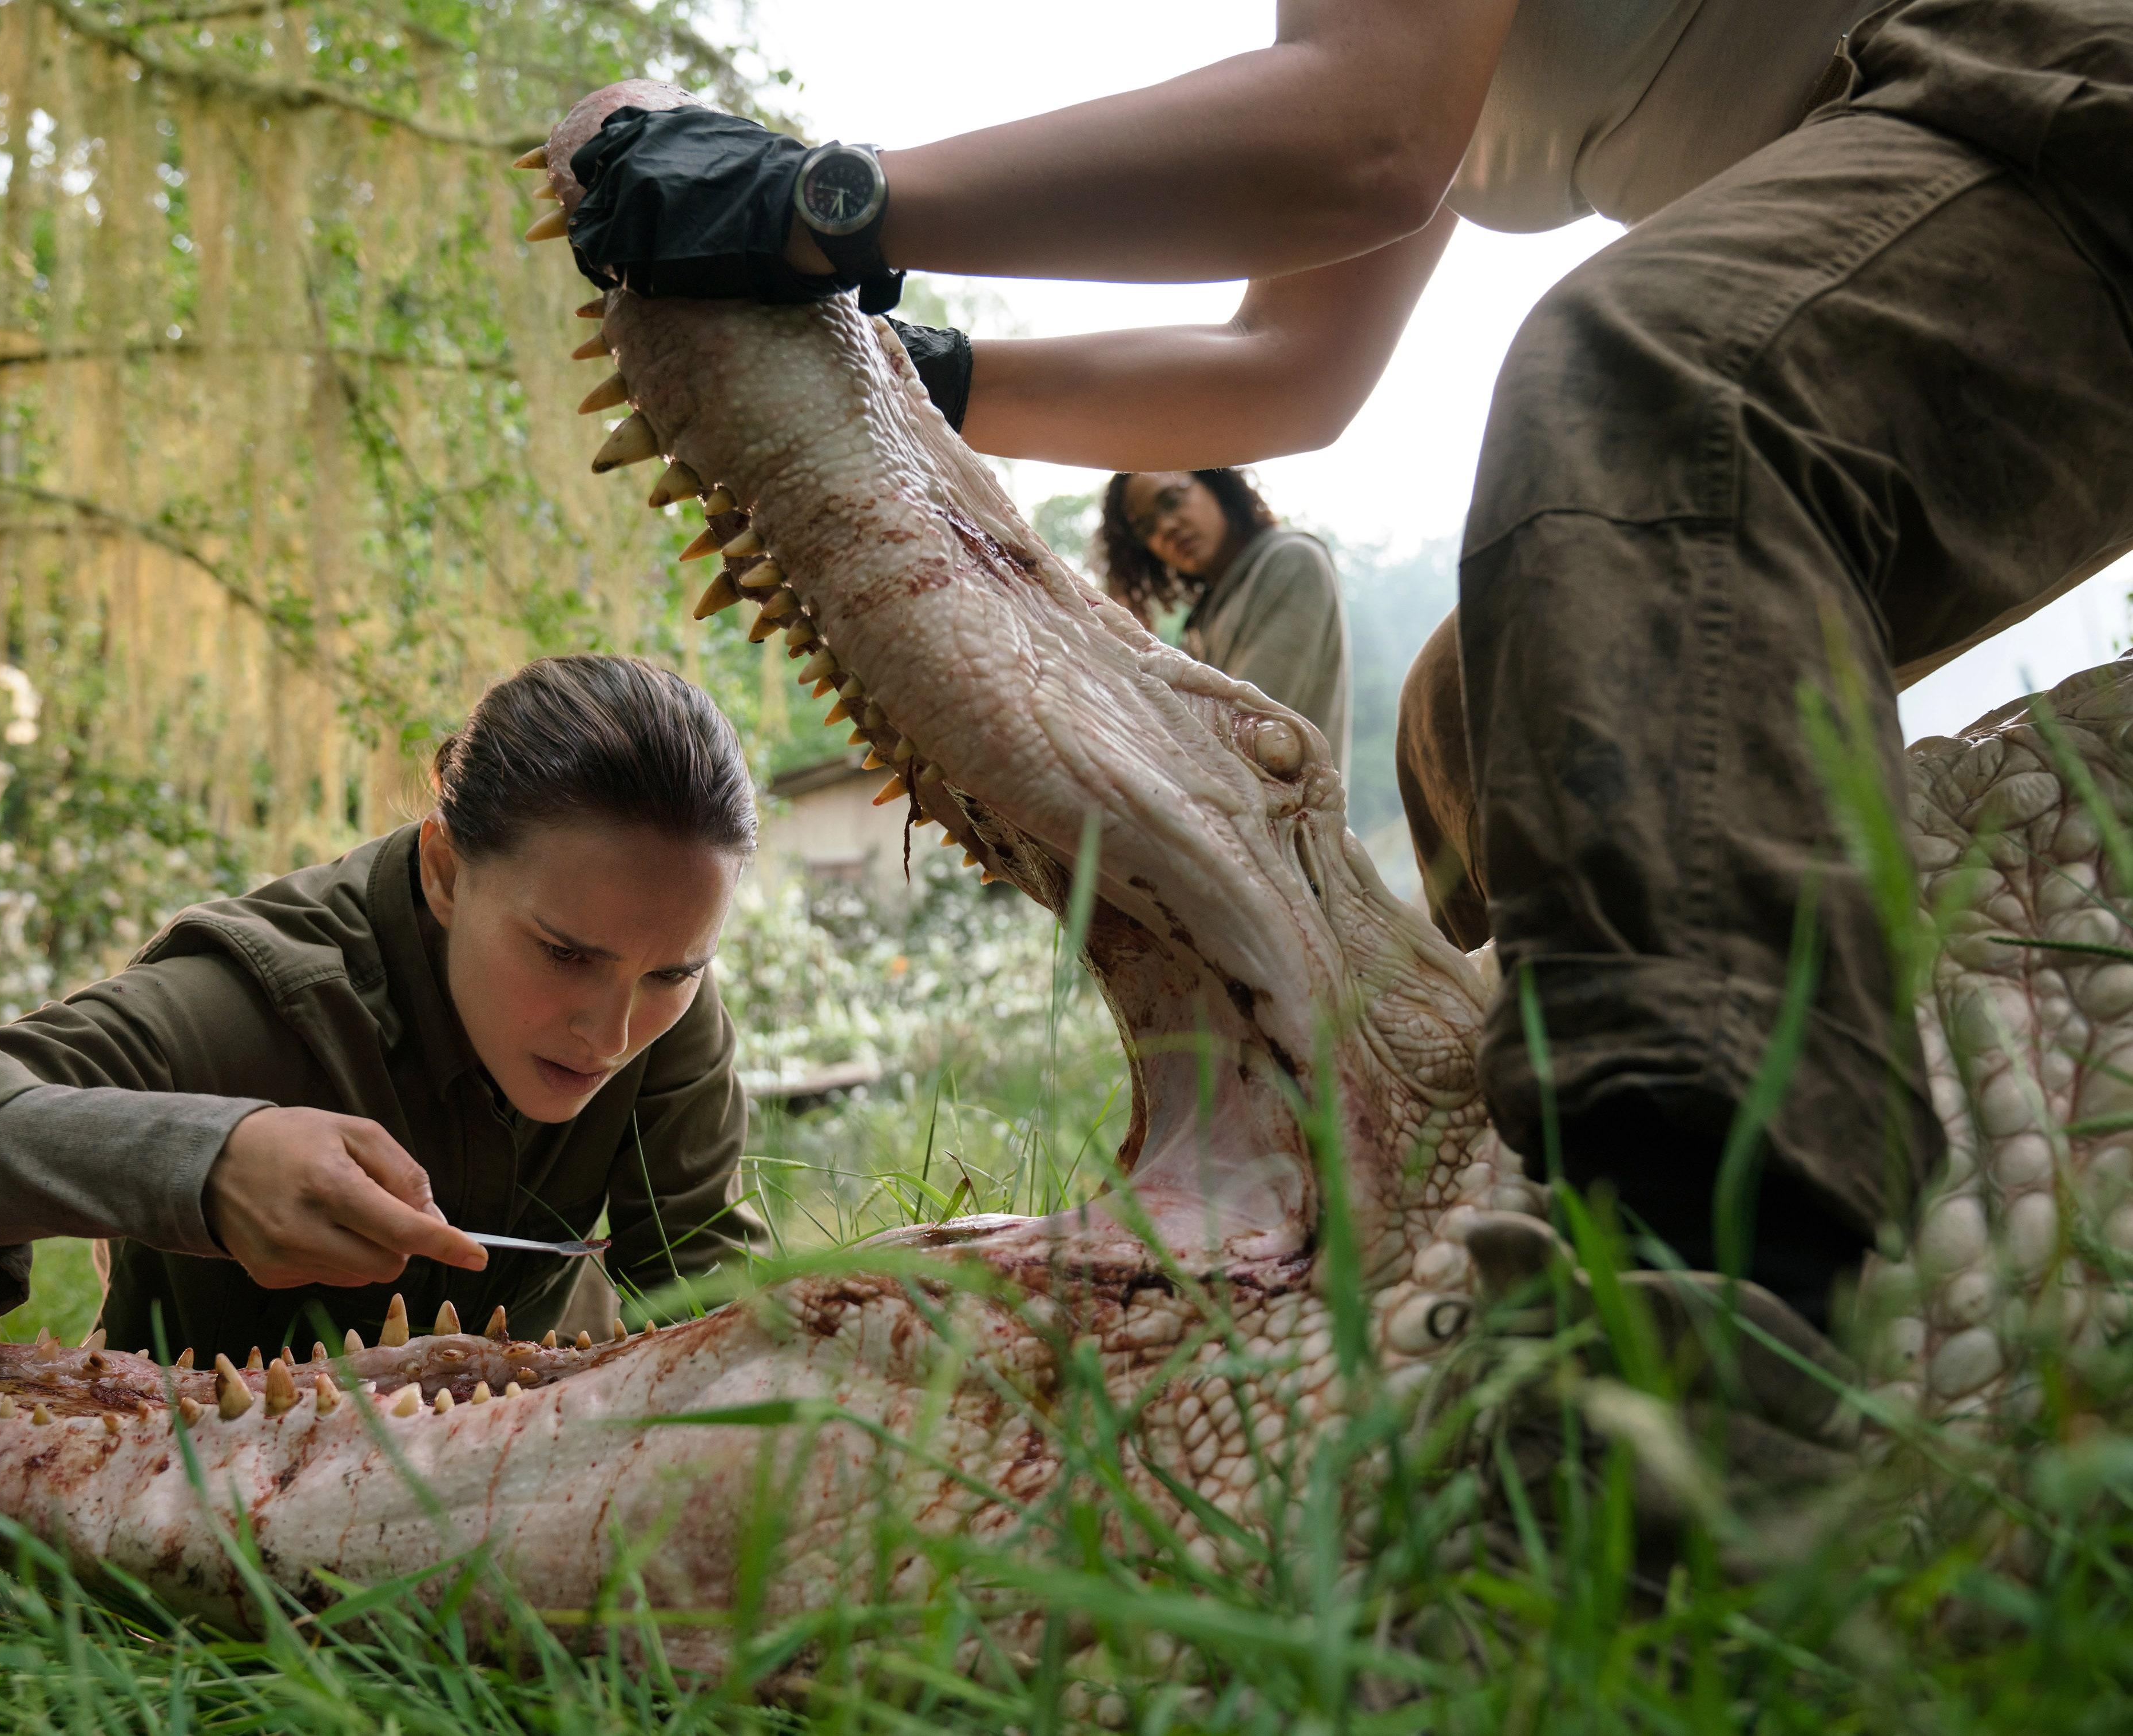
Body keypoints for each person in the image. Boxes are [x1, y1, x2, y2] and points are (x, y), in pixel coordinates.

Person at [549, 0, 2133, 1334]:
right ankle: (1511, 1151)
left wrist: (817, 200)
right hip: (1921, 184)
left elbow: (1348, 144)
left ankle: (1701, 1311)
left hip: (2039, 84)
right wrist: (911, 375)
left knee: (1642, 386)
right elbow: (1284, 370)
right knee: (1483, 706)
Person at [0, 655, 766, 1358]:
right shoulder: (253, 1000)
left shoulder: (661, 999)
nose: (612, 1032)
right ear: (444, 869)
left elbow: (709, 1304)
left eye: (672, 974)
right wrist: (200, 1163)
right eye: (564, 955)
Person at [1095, 469, 1349, 773]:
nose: (1166, 527)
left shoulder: (1293, 561)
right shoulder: (1208, 612)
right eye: (1147, 528)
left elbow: (1247, 732)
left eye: (1173, 500)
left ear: (1215, 484)